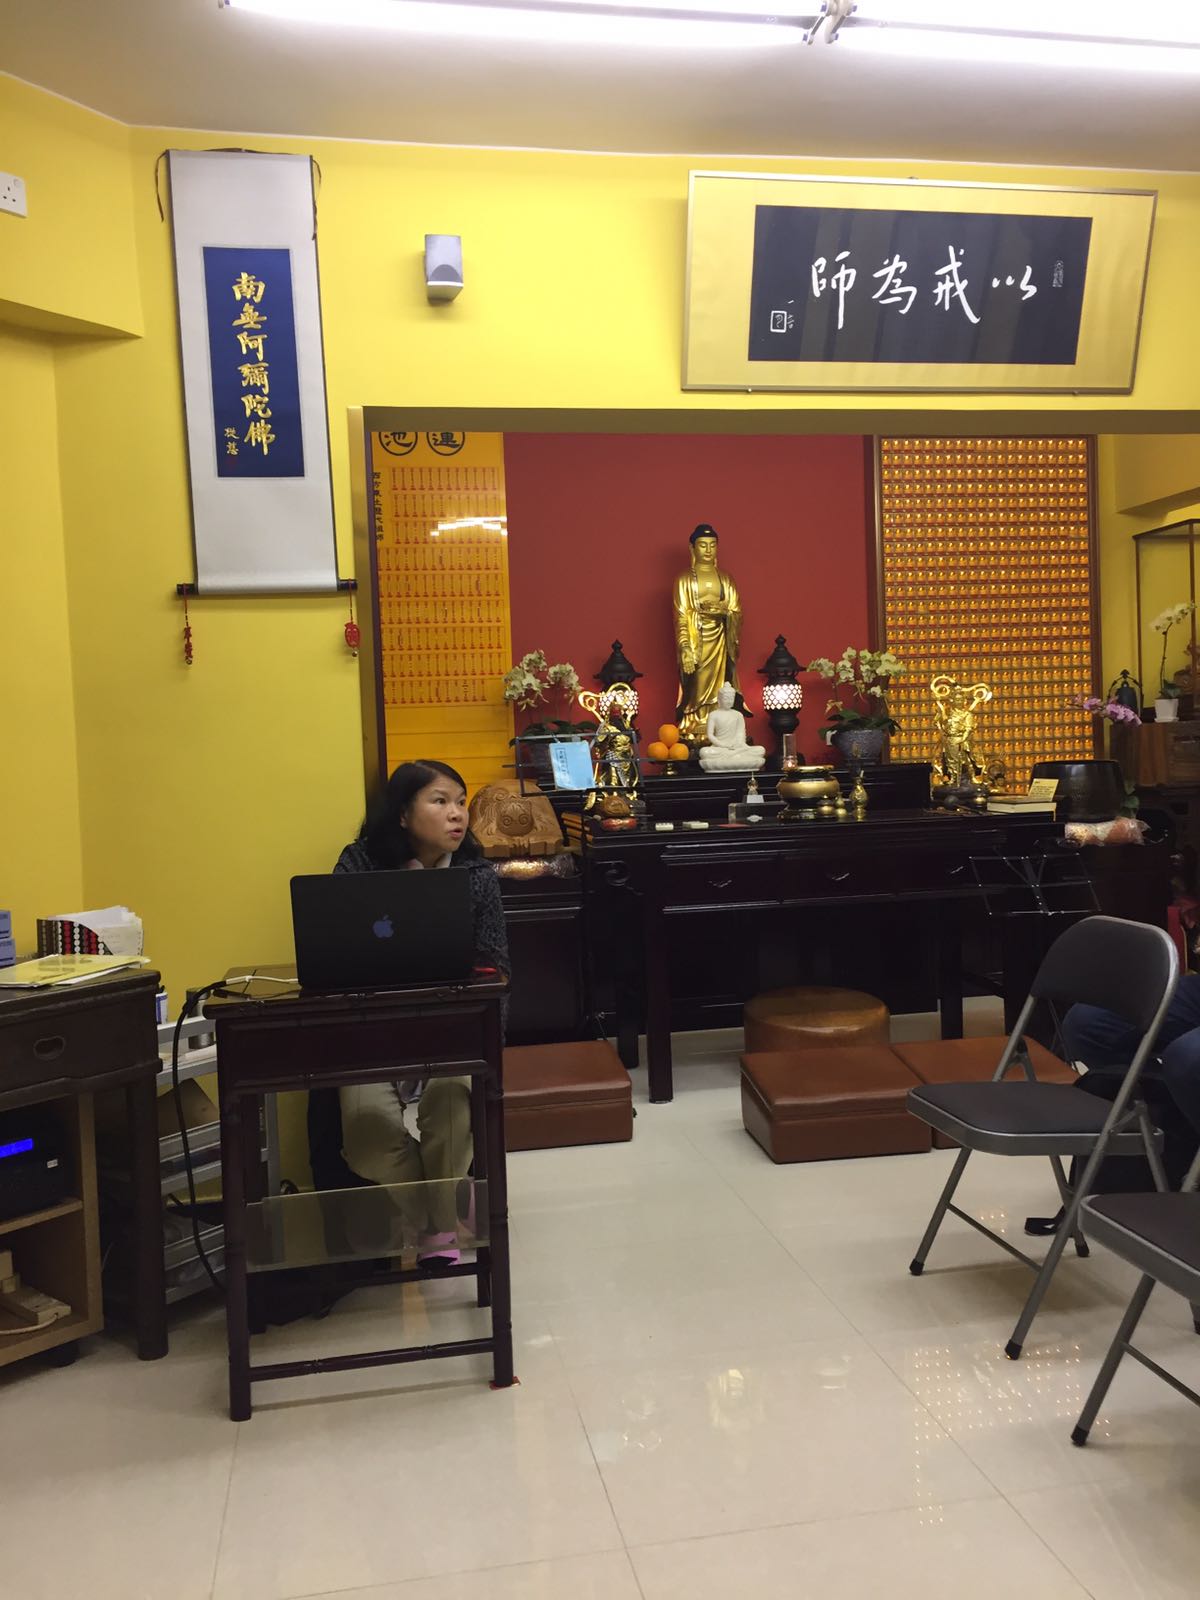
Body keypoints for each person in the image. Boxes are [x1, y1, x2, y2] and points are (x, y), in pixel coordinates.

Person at [315, 759, 509, 1269]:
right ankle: (438, 1212)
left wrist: (487, 1037)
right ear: (403, 814)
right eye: (440, 801)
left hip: (452, 1029)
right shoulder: (359, 864)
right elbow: (332, 952)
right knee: (367, 1140)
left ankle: (436, 1229)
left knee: (452, 1112)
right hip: (370, 1031)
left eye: (461, 802)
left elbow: (498, 968)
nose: (457, 814)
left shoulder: (476, 875)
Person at [673, 523, 743, 744]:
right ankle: (695, 721)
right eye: (702, 545)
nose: (708, 550)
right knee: (697, 682)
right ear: (692, 548)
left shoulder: (726, 578)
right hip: (697, 639)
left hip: (720, 637)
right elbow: (681, 615)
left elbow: (736, 610)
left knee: (721, 683)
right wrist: (685, 647)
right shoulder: (684, 579)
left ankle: (718, 723)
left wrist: (723, 611)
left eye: (712, 545)